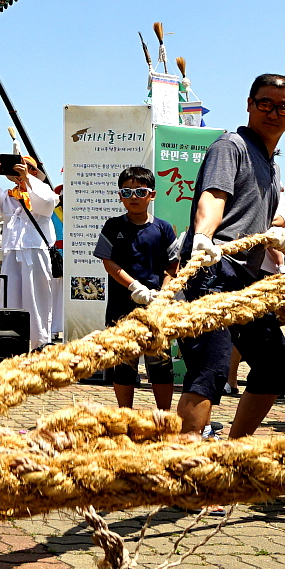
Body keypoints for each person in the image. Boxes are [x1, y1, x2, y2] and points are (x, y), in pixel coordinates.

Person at [173, 74, 285, 441]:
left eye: (284, 107)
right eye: (265, 103)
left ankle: (233, 451)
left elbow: (259, 213)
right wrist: (202, 237)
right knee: (209, 371)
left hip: (245, 276)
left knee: (277, 367)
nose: (274, 112)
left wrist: (277, 230)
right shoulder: (231, 146)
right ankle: (187, 475)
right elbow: (213, 197)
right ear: (249, 103)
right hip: (212, 269)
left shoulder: (272, 164)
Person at [92, 165, 176, 410]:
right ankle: (125, 416)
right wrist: (134, 286)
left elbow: (172, 265)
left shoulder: (163, 228)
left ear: (152, 195)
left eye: (140, 192)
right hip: (122, 306)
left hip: (155, 309)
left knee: (160, 364)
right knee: (125, 364)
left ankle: (164, 417)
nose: (133, 198)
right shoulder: (113, 226)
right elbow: (109, 262)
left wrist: (162, 293)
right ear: (120, 196)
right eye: (126, 192)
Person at [0, 152, 60, 348]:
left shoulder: (42, 190)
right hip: (12, 251)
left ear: (33, 171)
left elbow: (47, 203)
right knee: (10, 295)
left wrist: (28, 179)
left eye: (24, 166)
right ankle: (12, 340)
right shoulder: (7, 195)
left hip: (35, 251)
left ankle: (39, 342)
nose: (18, 171)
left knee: (36, 297)